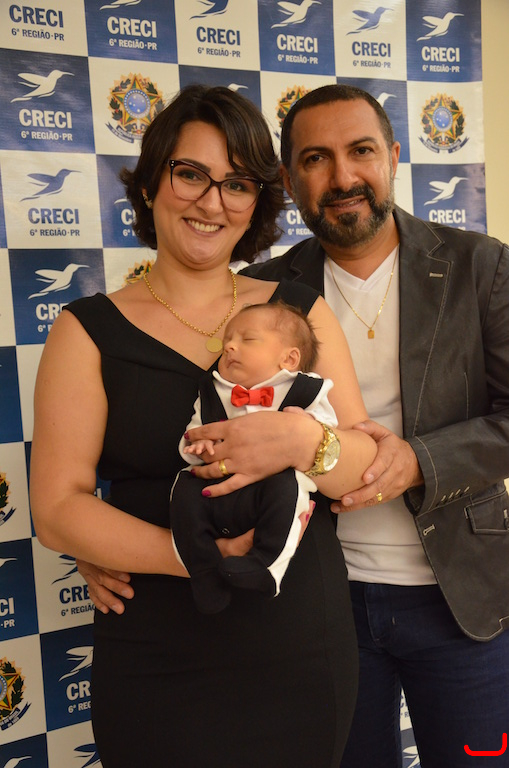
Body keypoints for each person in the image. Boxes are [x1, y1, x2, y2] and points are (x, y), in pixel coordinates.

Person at [81, 83, 509, 766]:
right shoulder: (269, 289)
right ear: (287, 178)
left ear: (394, 156)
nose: (341, 176)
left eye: (360, 151)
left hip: (457, 595)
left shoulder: (478, 264)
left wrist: (416, 461)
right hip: (319, 596)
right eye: (315, 158)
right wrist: (109, 539)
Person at [30, 84, 378, 768]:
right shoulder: (85, 330)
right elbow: (57, 509)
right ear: (151, 182)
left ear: (257, 202)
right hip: (155, 652)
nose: (213, 202)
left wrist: (308, 442)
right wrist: (195, 557)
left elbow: (361, 465)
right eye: (191, 174)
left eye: (237, 184)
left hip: (299, 648)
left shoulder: (299, 313)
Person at [172, 301, 338, 614]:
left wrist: (306, 426)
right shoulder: (213, 391)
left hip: (269, 491)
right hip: (217, 489)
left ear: (289, 358)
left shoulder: (305, 390)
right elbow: (194, 432)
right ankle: (204, 570)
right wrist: (198, 447)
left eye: (247, 339)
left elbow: (328, 431)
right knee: (184, 488)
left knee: (290, 489)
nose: (230, 347)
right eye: (227, 342)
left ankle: (268, 567)